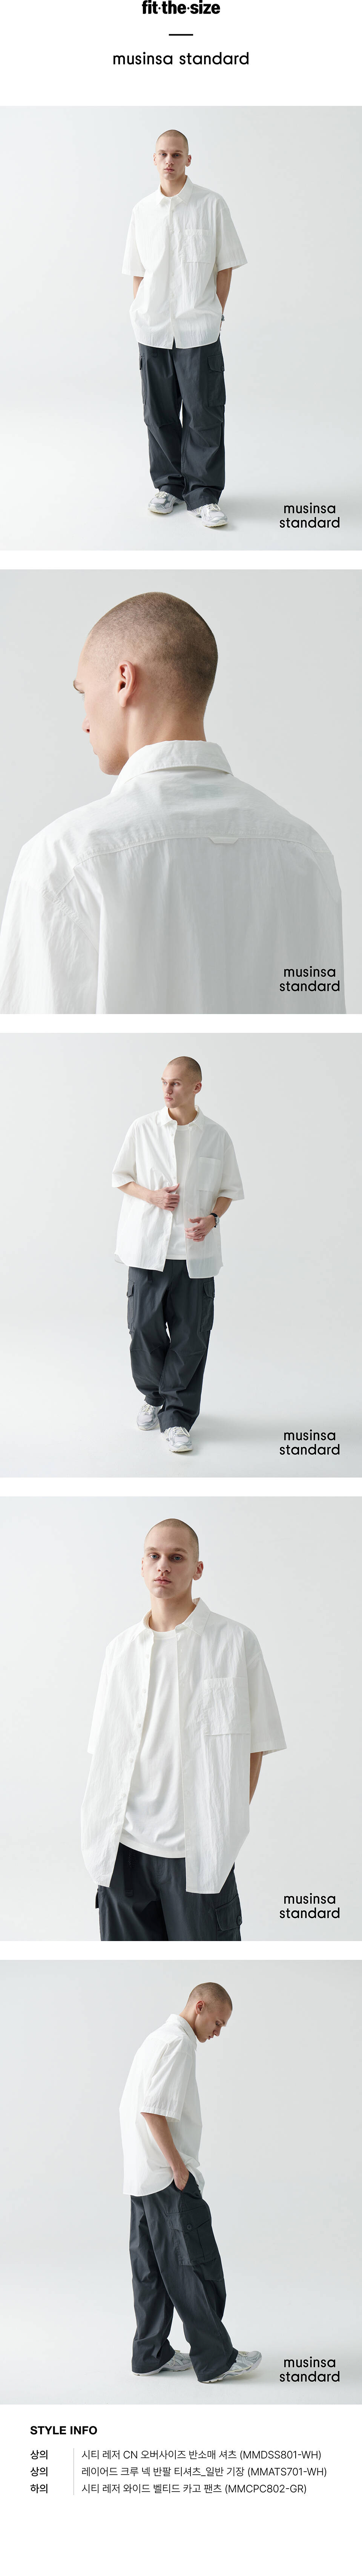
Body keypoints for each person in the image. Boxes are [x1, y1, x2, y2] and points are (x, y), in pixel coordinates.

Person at [0, 594, 345, 1016]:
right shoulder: (307, 853)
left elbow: (39, 1039)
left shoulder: (66, 860)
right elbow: (322, 1015)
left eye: (84, 692)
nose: (85, 722)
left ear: (123, 681)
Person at [81, 1516, 285, 1940]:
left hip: (200, 1854)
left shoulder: (236, 1642)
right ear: (142, 1566)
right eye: (154, 1556)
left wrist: (222, 1824)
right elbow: (106, 1750)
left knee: (208, 1960)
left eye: (177, 1557)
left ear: (198, 1568)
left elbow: (257, 1744)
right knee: (130, 1970)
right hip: (123, 1851)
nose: (164, 1566)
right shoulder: (119, 1651)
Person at [120, 1979, 261, 2381]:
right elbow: (152, 2111)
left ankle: (150, 2353)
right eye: (218, 2022)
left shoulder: (154, 2039)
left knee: (150, 2270)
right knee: (194, 2267)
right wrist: (179, 2169)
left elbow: (131, 2105)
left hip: (141, 2176)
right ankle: (216, 2359)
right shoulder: (179, 2043)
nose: (218, 2032)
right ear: (200, 2007)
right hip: (167, 2178)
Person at [113, 1051, 244, 1455]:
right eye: (164, 1082)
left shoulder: (217, 1136)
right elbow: (121, 1177)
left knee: (191, 1338)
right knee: (143, 1331)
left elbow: (229, 1190)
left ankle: (178, 1418)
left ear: (196, 1087)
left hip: (195, 1255)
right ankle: (154, 1397)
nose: (167, 1090)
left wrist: (213, 1218)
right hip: (147, 1250)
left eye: (176, 1083)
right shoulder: (143, 1128)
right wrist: (152, 1196)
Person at [122, 128, 246, 528]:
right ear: (154, 159)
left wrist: (215, 314)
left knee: (204, 413)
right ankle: (169, 486)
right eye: (163, 154)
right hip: (153, 329)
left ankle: (204, 494)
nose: (170, 161)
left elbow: (226, 265)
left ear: (188, 160)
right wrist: (141, 314)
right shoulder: (142, 211)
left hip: (198, 329)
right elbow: (138, 271)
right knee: (158, 414)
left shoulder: (212, 205)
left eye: (177, 154)